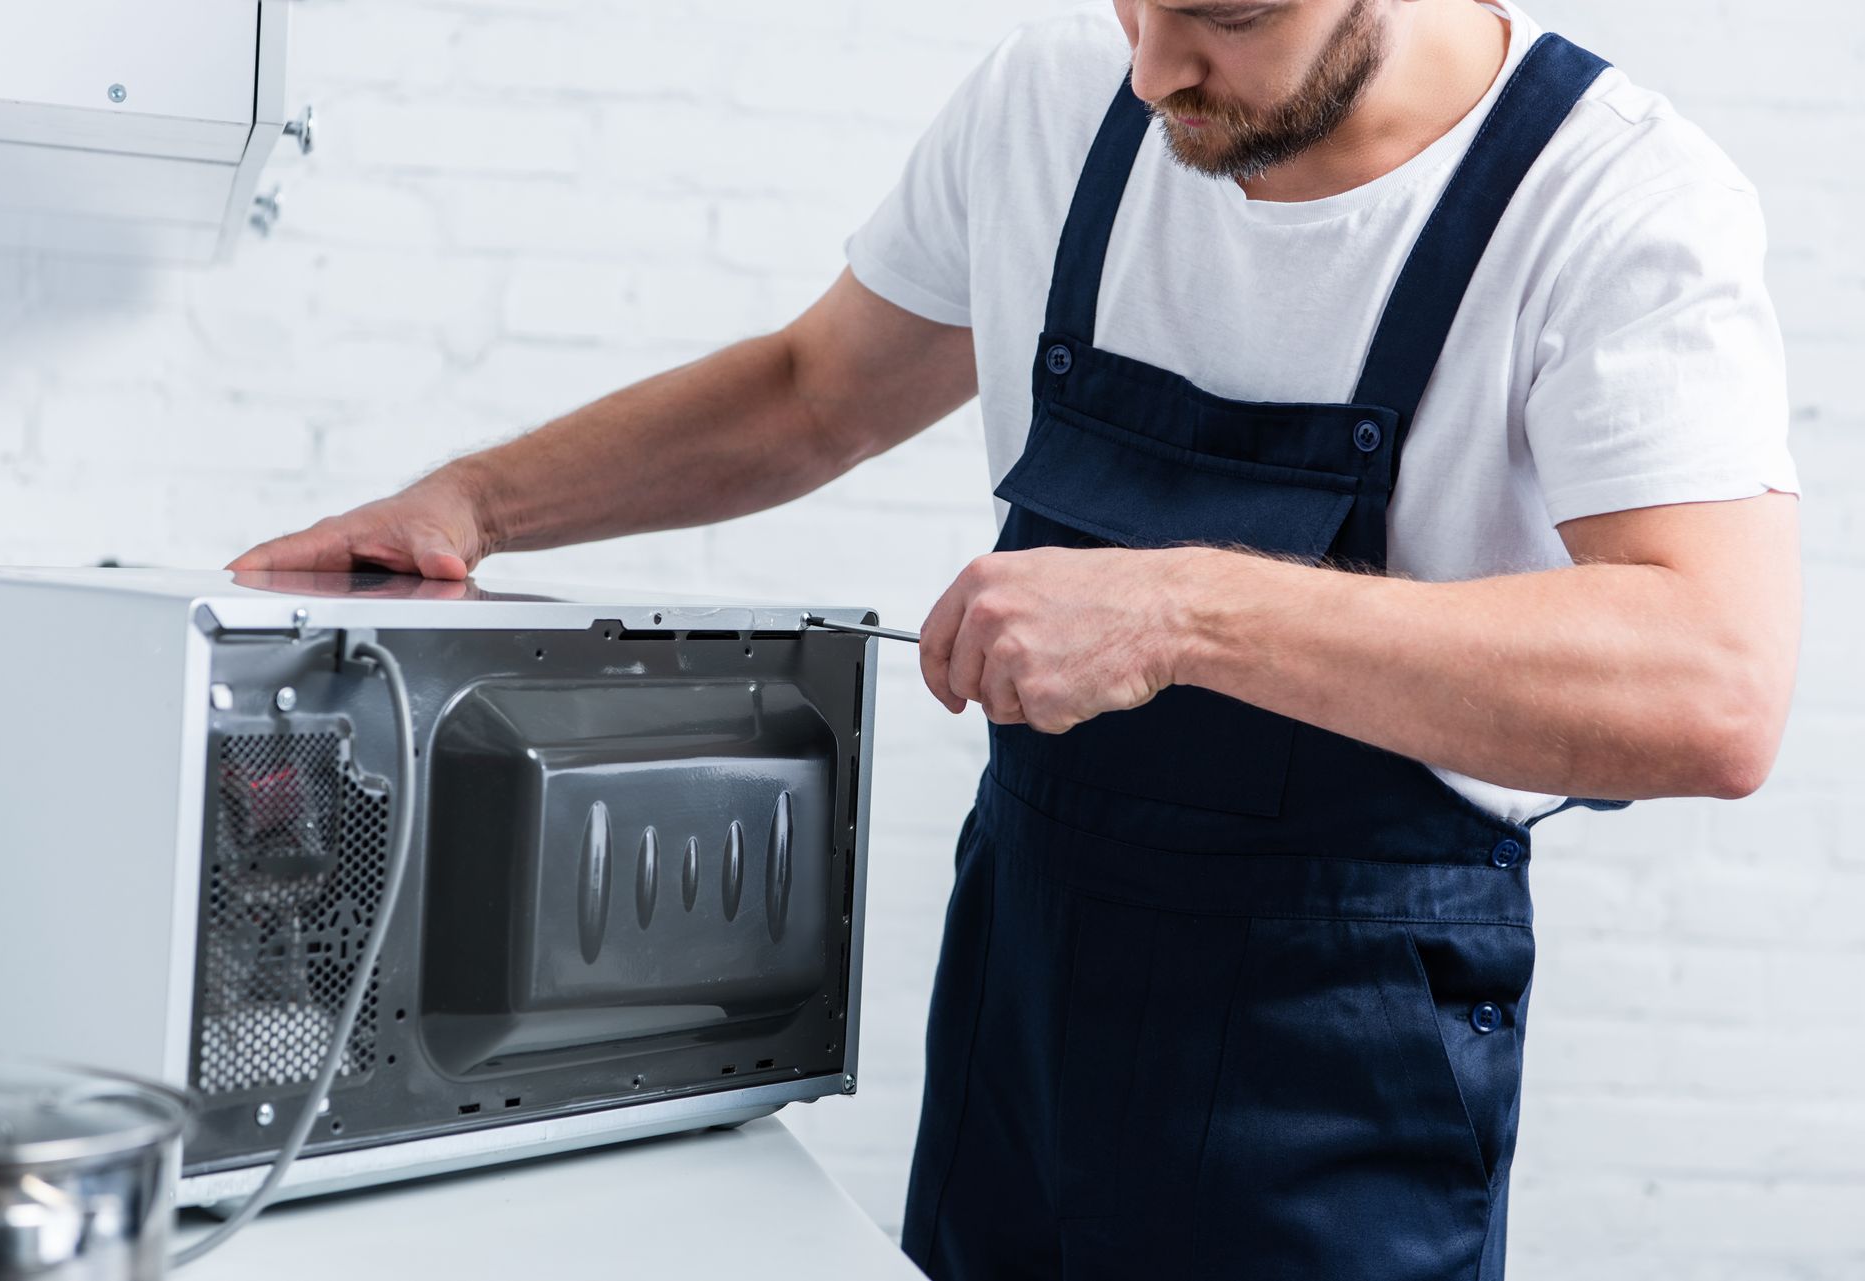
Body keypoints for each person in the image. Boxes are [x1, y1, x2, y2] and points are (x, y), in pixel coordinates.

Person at [232, 0, 1802, 1276]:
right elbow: (814, 390)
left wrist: (1190, 610)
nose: (1150, 67)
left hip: (1346, 1048)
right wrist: (473, 501)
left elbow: (1715, 685)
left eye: (1222, 19)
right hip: (1029, 997)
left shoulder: (1614, 203)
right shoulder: (1060, 99)